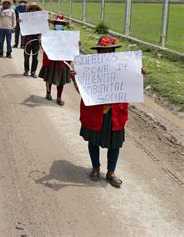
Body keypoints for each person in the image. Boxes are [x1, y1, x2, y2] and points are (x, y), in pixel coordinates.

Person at [70, 36, 147, 188]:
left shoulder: (123, 68)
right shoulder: (90, 69)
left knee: (115, 144)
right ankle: (96, 168)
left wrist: (138, 75)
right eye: (102, 51)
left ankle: (111, 172)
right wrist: (75, 79)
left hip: (116, 113)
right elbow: (82, 91)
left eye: (110, 51)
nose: (106, 54)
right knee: (93, 141)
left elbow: (132, 86)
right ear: (98, 53)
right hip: (95, 112)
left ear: (114, 52)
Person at [38, 14, 71, 106]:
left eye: (61, 24)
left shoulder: (69, 36)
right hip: (51, 59)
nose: (59, 25)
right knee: (49, 76)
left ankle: (59, 97)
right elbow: (44, 46)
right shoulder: (49, 35)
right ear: (54, 24)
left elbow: (72, 47)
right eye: (57, 23)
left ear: (64, 25)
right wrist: (41, 41)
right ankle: (48, 93)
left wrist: (77, 44)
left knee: (61, 79)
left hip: (62, 60)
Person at [22, 2, 43, 77]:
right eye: (32, 9)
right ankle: (26, 70)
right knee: (26, 57)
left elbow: (43, 29)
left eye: (35, 9)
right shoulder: (25, 19)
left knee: (35, 57)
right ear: (29, 11)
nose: (33, 10)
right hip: (27, 39)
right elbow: (22, 27)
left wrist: (40, 37)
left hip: (36, 40)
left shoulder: (41, 20)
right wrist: (20, 21)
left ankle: (33, 71)